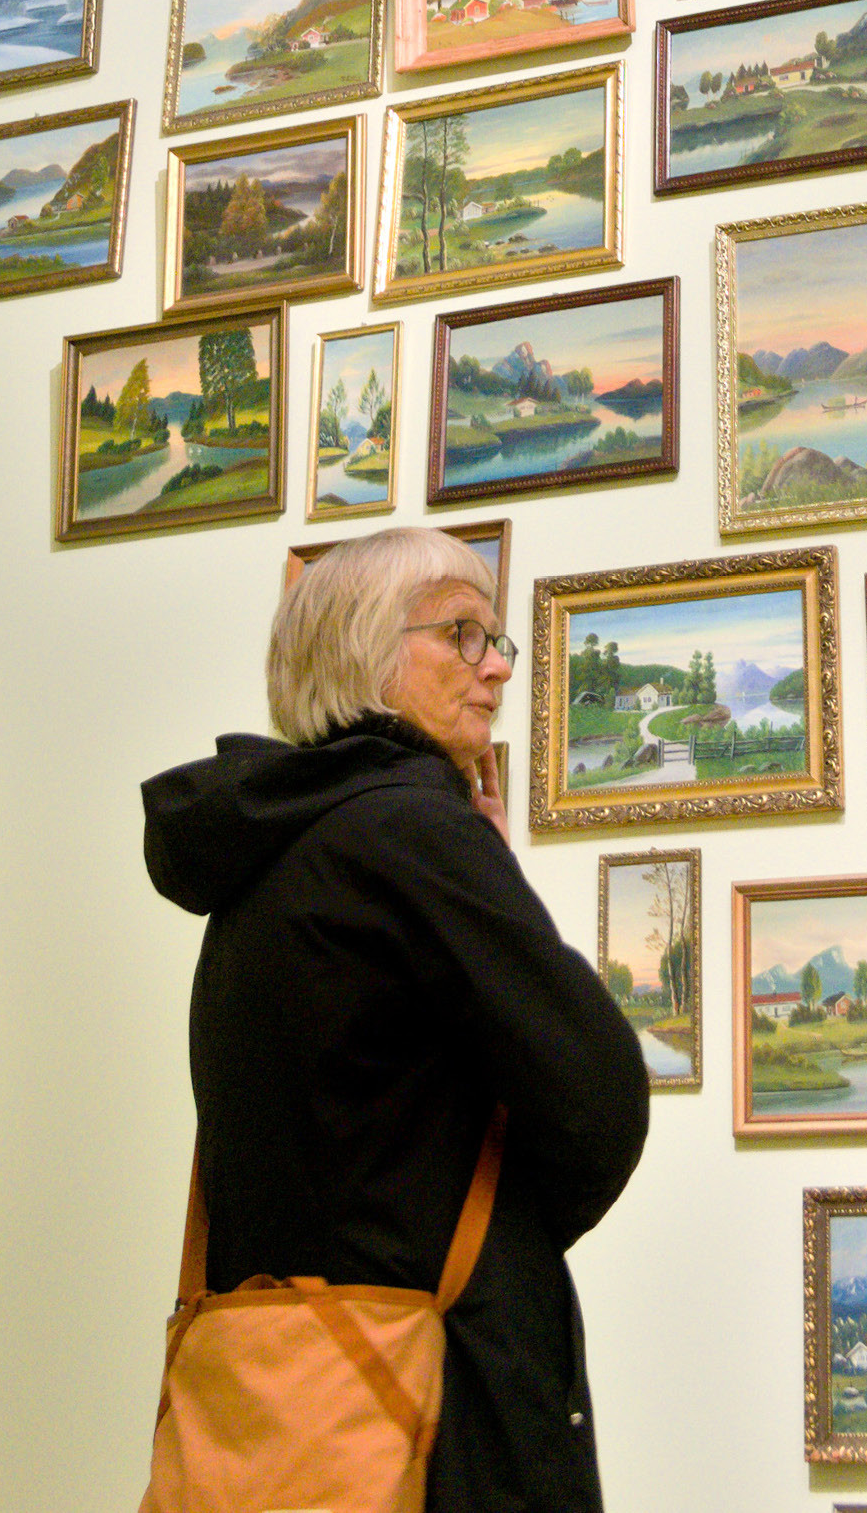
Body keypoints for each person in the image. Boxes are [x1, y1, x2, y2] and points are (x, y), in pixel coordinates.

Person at [142, 526, 648, 1513]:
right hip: (433, 1410)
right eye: (463, 632)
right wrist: (508, 1241)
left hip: (269, 1399)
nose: (498, 665)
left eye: (496, 637)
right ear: (361, 653)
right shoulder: (414, 830)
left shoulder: (265, 855)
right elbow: (598, 1094)